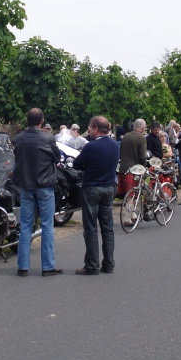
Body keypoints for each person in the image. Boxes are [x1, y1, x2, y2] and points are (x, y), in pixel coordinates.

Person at [13, 108, 62, 277]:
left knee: (25, 225)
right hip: (44, 186)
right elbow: (58, 158)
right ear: (41, 121)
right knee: (47, 225)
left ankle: (23, 266)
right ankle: (48, 267)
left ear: (27, 120)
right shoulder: (48, 138)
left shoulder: (19, 139)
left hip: (26, 186)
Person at [72, 116, 119, 275]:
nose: (89, 131)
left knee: (91, 227)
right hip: (108, 188)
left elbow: (77, 163)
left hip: (92, 187)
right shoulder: (114, 146)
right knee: (107, 227)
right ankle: (109, 263)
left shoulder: (90, 147)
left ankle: (92, 264)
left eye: (90, 128)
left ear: (96, 128)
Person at [118, 118, 148, 197]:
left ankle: (129, 207)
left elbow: (120, 152)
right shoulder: (141, 138)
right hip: (134, 170)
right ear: (143, 128)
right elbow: (143, 156)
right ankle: (131, 208)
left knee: (127, 194)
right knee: (131, 195)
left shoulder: (125, 136)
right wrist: (143, 168)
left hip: (123, 169)